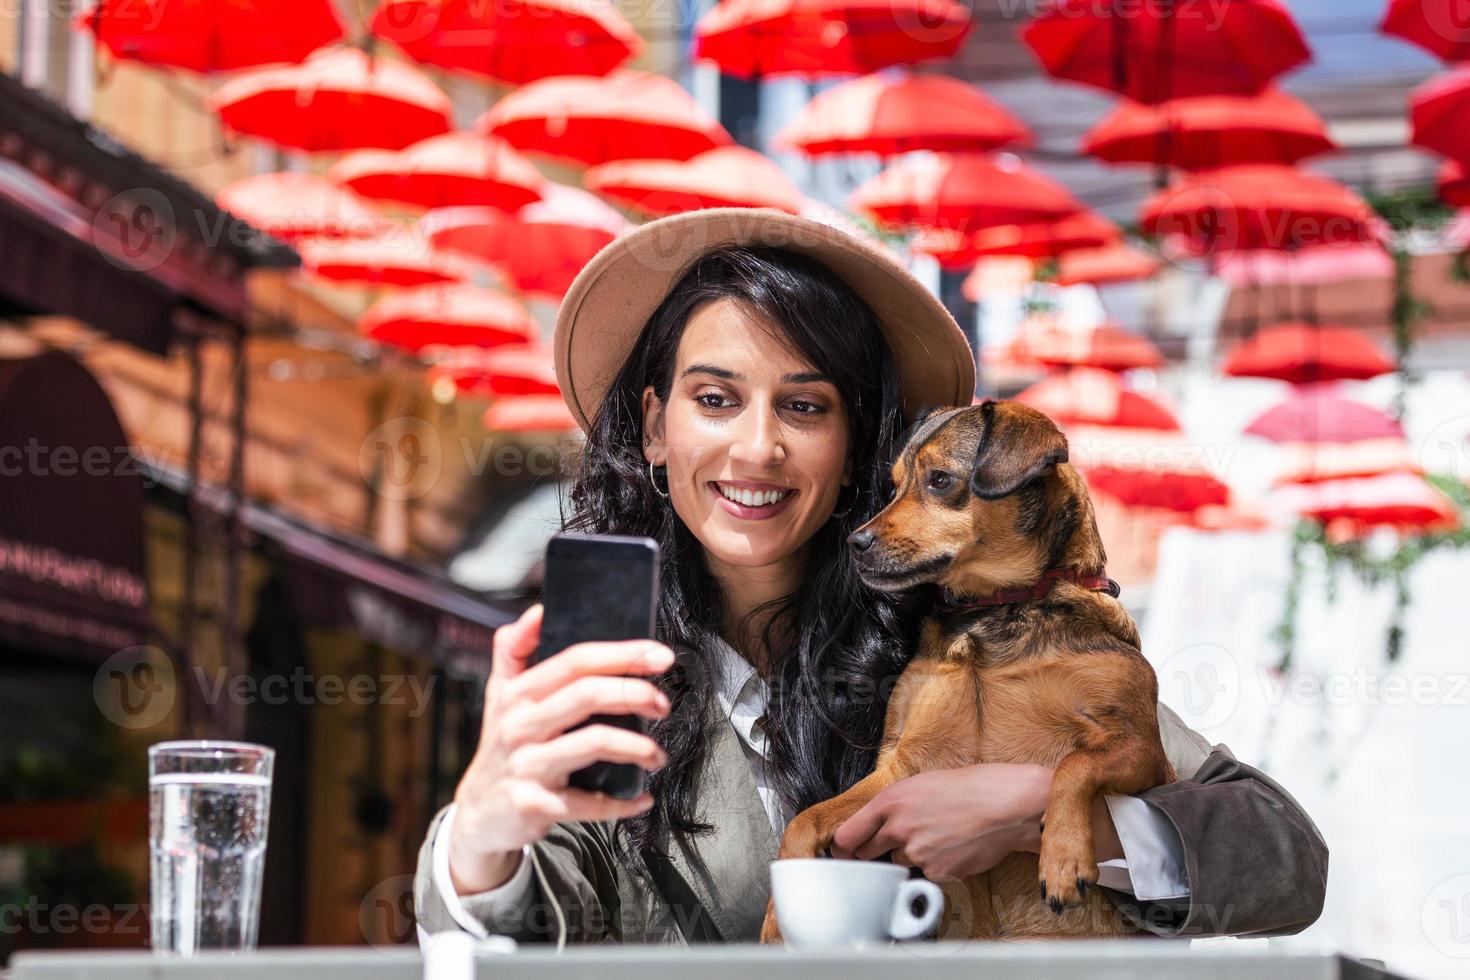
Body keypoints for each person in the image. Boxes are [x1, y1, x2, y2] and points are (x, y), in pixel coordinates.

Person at [413, 208, 1327, 949]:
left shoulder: (979, 630)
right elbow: (527, 927)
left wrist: (1033, 811)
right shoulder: (607, 673)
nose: (758, 446)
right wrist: (481, 834)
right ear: (657, 428)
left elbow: (1284, 858)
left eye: (805, 406)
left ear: (857, 447)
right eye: (715, 399)